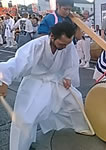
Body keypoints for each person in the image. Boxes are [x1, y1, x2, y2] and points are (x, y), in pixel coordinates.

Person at [0, 22, 91, 150]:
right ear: (52, 36)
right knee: (25, 119)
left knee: (74, 99)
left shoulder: (67, 46)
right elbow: (18, 62)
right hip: (34, 83)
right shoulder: (36, 45)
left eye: (67, 44)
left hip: (54, 80)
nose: (65, 47)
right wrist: (4, 80)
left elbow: (71, 61)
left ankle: (82, 127)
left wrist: (68, 76)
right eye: (62, 44)